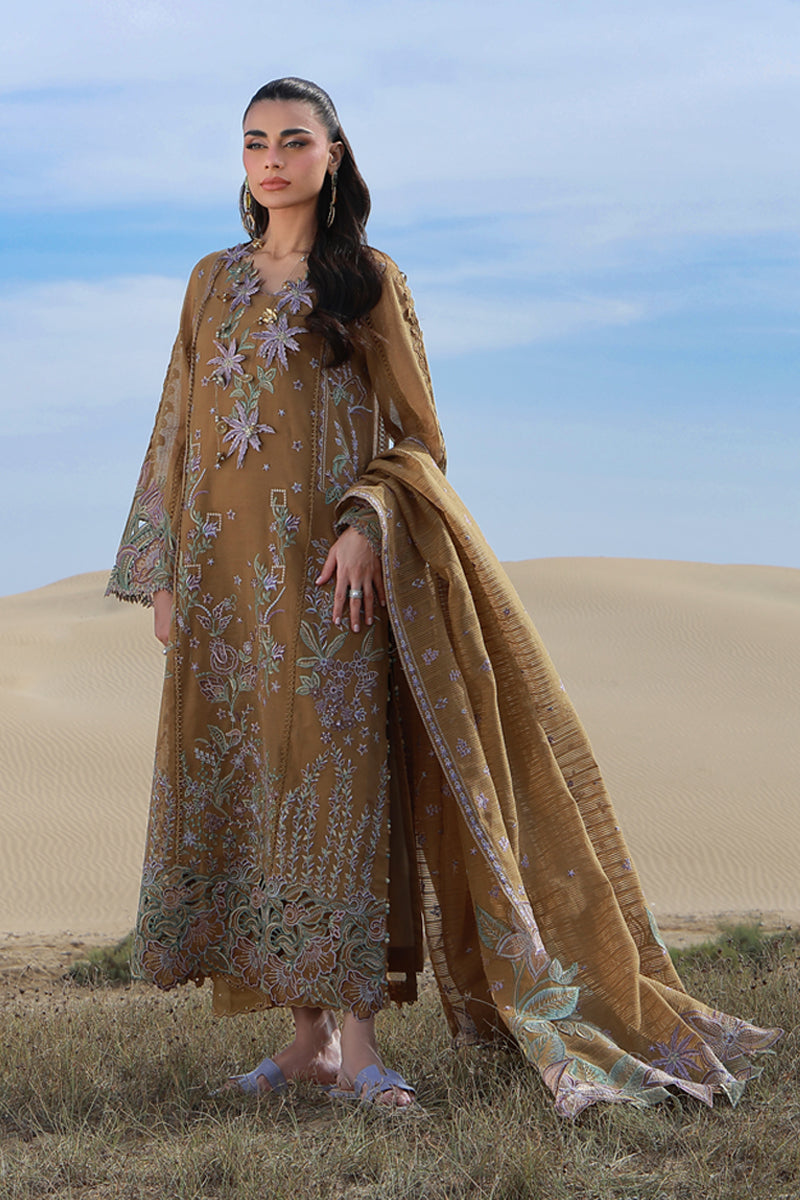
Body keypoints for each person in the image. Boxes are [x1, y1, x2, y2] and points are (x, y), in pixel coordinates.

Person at [109, 77, 780, 1117]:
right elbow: (175, 425)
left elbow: (419, 438)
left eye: (293, 141)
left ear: (334, 155)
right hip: (222, 587)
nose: (271, 159)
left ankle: (360, 1046)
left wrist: (367, 521)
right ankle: (304, 1043)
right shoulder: (210, 281)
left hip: (330, 584)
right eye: (253, 142)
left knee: (336, 794)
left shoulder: (367, 281)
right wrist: (159, 573)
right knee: (251, 794)